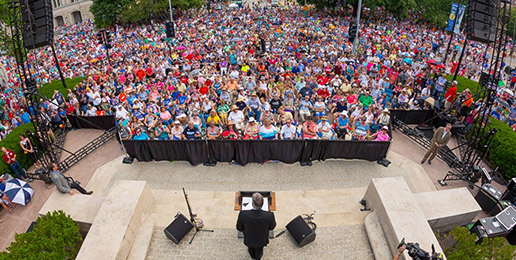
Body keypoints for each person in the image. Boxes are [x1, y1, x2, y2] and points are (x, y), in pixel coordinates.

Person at [236, 193, 276, 260]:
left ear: (252, 204)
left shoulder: (243, 214)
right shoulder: (269, 215)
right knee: (259, 251)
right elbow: (272, 227)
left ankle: (252, 256)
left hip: (249, 239)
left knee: (251, 249)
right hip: (261, 240)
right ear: (263, 204)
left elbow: (239, 228)